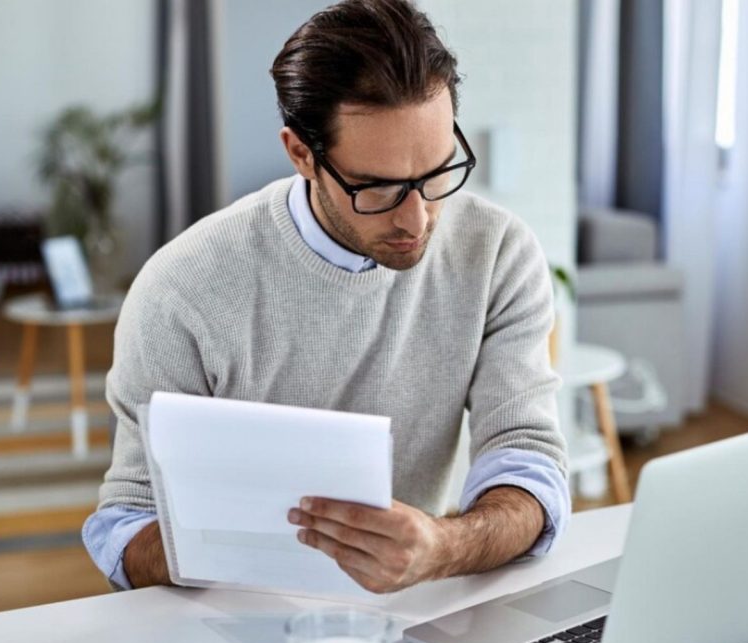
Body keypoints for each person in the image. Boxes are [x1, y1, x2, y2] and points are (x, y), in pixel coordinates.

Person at [82, 0, 569, 594]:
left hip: (418, 605)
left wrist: (444, 548)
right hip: (228, 616)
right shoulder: (182, 288)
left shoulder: (497, 254)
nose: (417, 218)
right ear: (301, 154)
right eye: (377, 188)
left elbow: (527, 458)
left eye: (437, 173)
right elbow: (124, 530)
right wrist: (251, 543)